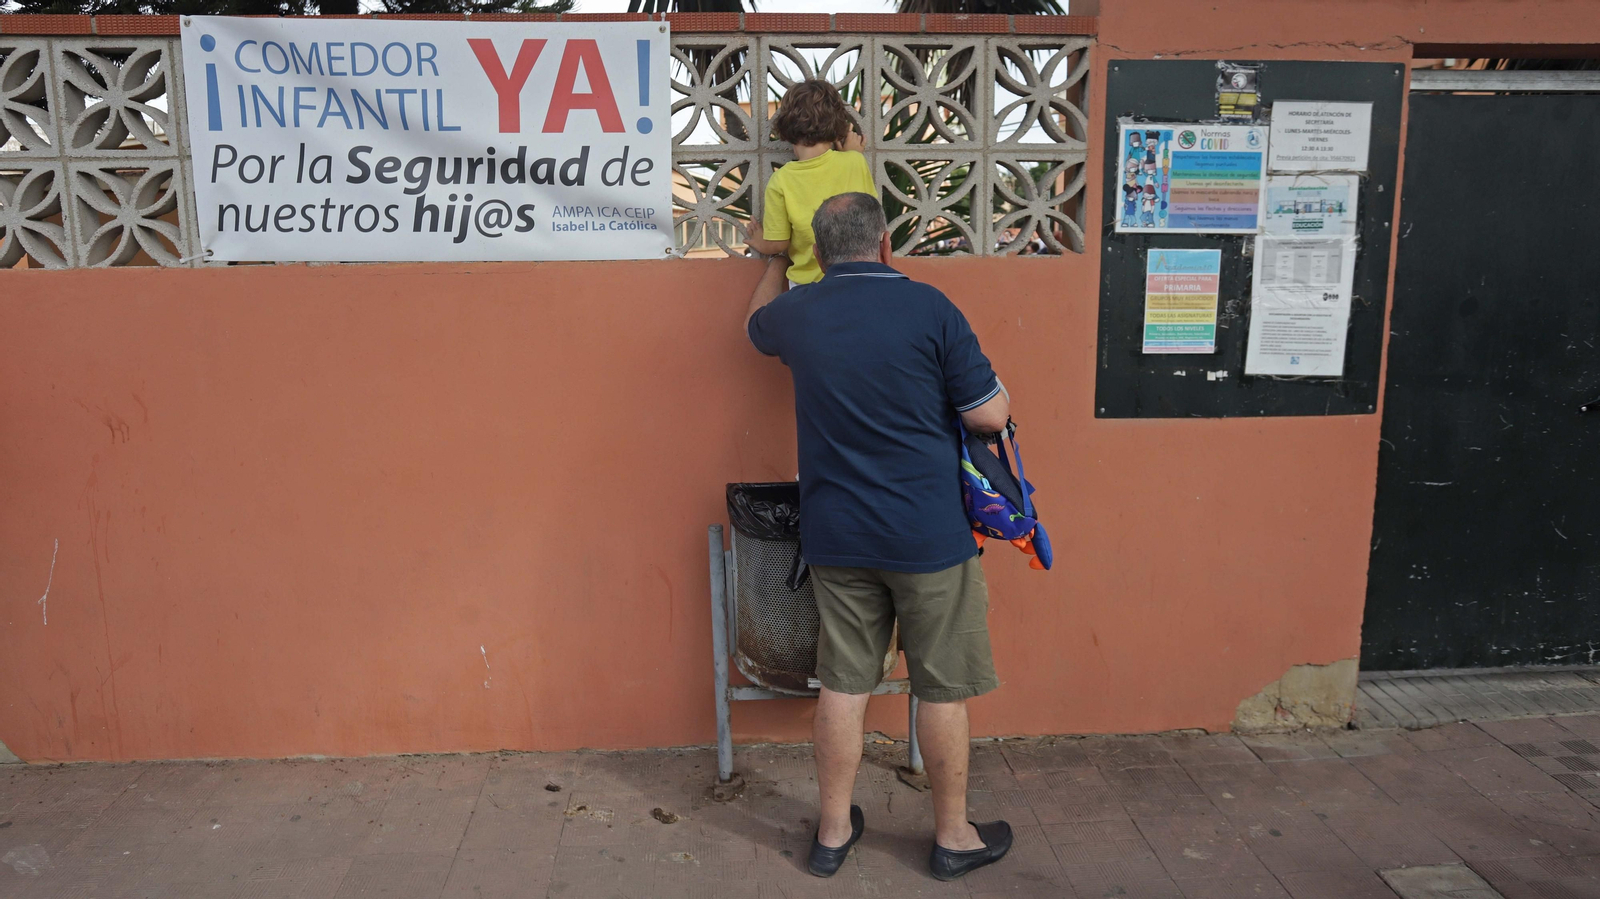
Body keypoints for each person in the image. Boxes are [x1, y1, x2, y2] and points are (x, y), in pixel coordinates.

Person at [744, 192, 1014, 883]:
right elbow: (988, 414)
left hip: (837, 535)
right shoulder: (931, 309)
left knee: (844, 683)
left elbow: (754, 325)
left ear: (823, 251)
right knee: (943, 688)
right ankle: (952, 835)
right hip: (929, 536)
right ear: (887, 242)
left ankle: (833, 832)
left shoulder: (798, 314)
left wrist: (773, 261)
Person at [744, 79, 874, 287]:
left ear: (785, 127)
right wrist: (852, 154)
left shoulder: (781, 180)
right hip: (857, 279)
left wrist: (760, 242)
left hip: (806, 286)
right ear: (837, 125)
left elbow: (779, 243)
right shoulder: (855, 162)